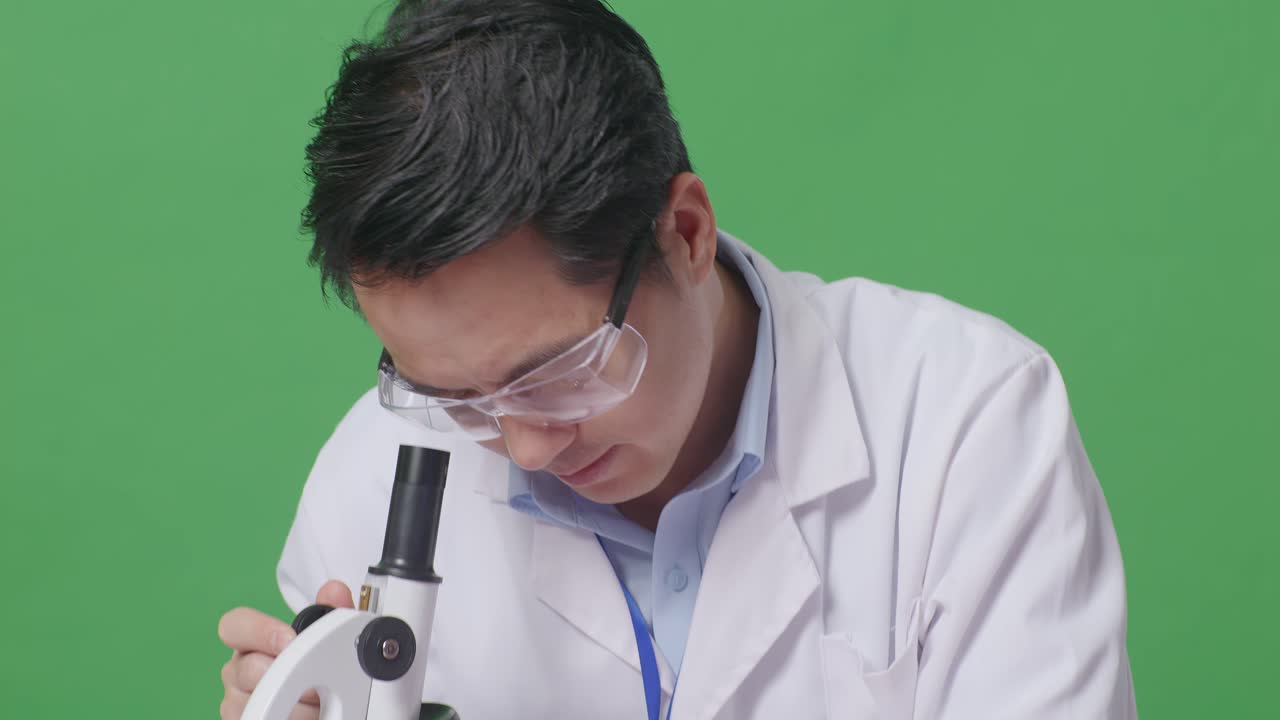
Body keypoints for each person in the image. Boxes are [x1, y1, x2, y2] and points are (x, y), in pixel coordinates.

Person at [217, 1, 1137, 717]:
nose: (526, 447)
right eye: (456, 397)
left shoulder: (966, 426)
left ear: (686, 232)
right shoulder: (369, 479)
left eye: (560, 373)